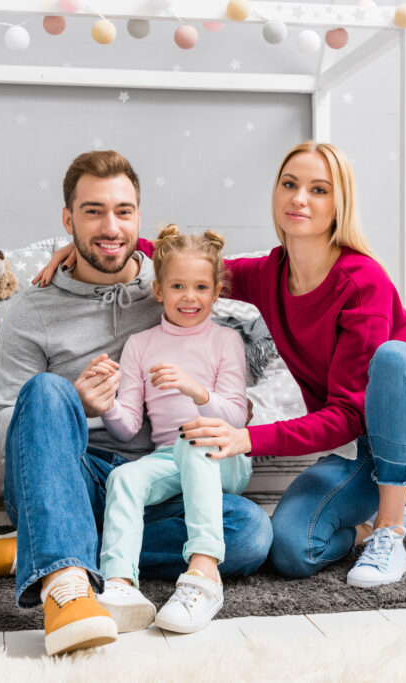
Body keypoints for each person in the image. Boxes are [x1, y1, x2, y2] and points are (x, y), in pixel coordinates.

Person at [35, 141, 406, 590]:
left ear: (340, 204)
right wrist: (97, 246)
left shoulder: (363, 281)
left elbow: (348, 413)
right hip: (363, 455)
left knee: (395, 357)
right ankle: (370, 524)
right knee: (291, 549)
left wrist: (246, 437)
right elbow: (188, 265)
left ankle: (389, 529)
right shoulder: (269, 275)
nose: (300, 198)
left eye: (319, 190)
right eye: (290, 184)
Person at [0, 150, 272, 657]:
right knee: (48, 390)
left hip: (156, 478)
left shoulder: (168, 286)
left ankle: (46, 542)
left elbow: (205, 276)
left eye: (123, 211)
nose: (110, 227)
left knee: (250, 531)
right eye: (93, 212)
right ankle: (66, 587)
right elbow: (0, 425)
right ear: (68, 221)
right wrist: (75, 408)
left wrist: (222, 404)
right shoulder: (32, 307)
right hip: (67, 473)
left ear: (138, 217)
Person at [89, 224, 251, 635]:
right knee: (124, 477)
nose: (189, 296)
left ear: (216, 292)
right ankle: (119, 585)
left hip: (222, 452)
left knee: (194, 436)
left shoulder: (225, 340)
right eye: (178, 286)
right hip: (168, 456)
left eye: (201, 287)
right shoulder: (141, 345)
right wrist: (106, 406)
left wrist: (196, 390)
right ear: (159, 290)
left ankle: (204, 574)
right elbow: (128, 427)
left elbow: (235, 417)